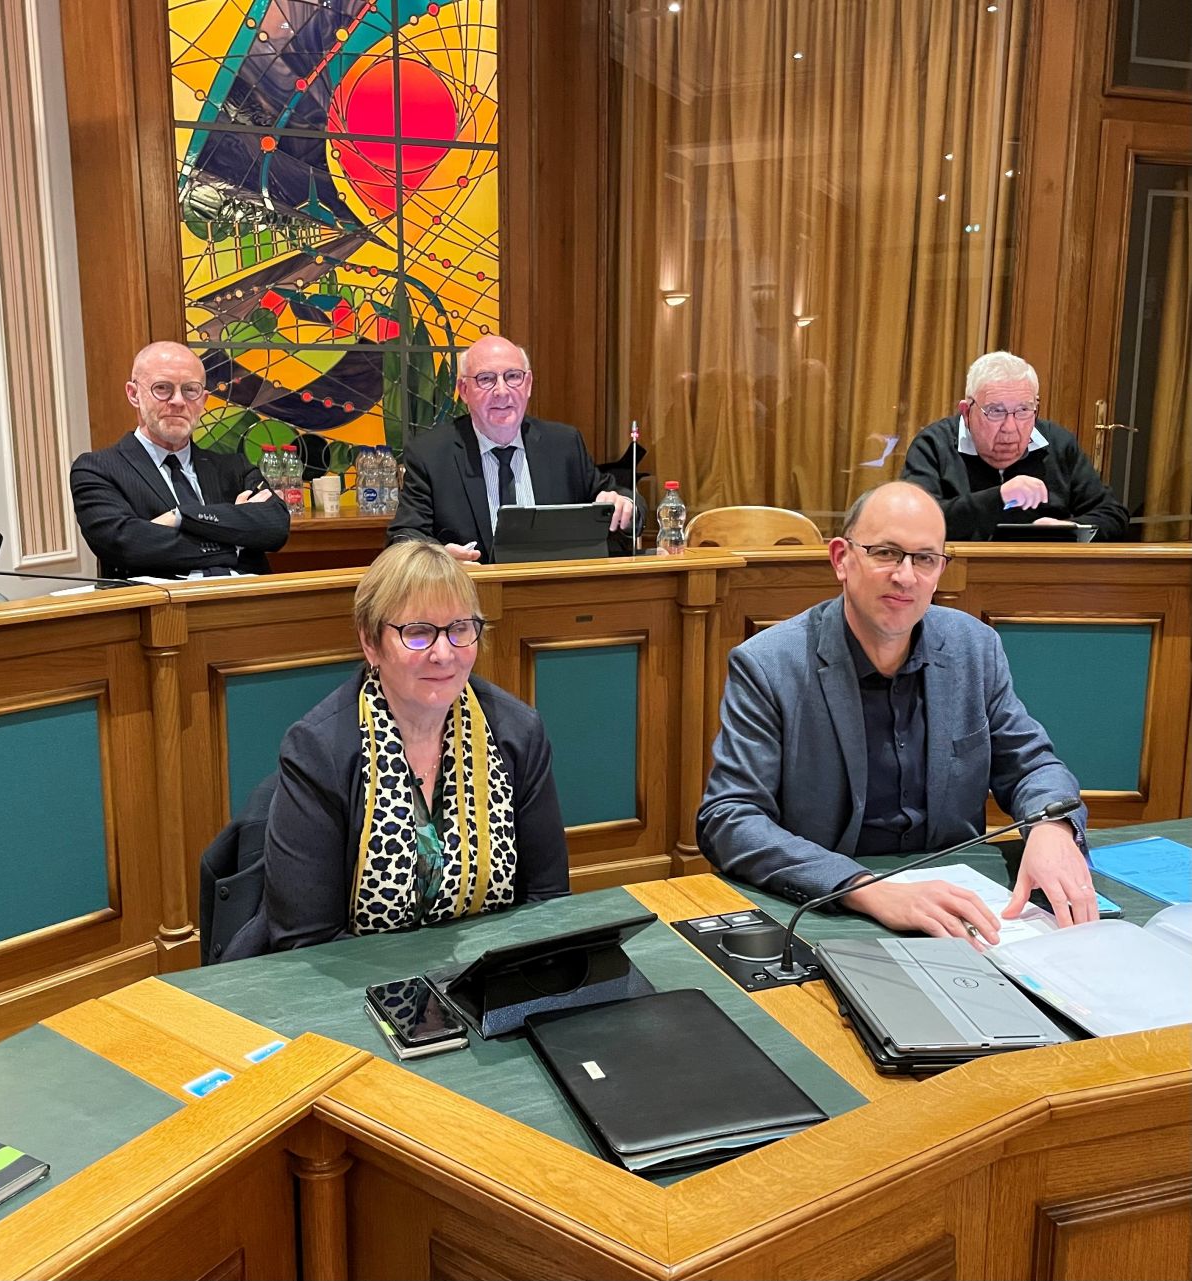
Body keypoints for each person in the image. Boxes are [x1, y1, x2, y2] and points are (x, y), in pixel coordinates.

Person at [697, 481, 1097, 943]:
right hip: (831, 911)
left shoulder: (973, 647)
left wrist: (1051, 826)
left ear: (940, 570)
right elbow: (730, 817)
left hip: (959, 905)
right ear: (841, 559)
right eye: (886, 553)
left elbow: (1032, 766)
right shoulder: (769, 664)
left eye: (924, 558)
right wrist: (866, 890)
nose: (905, 576)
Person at [263, 540, 571, 950]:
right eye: (419, 633)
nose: (444, 654)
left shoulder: (518, 733)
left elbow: (547, 903)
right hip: (357, 980)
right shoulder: (318, 751)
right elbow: (307, 942)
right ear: (370, 643)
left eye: (460, 629)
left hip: (487, 976)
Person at [387, 335, 639, 562]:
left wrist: (625, 504)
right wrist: (440, 557)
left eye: (513, 377)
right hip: (471, 592)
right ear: (464, 390)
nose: (501, 391)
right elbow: (403, 538)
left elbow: (623, 499)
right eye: (486, 379)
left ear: (528, 384)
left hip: (552, 591)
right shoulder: (430, 455)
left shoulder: (563, 445)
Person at [70, 341, 289, 578]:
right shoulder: (97, 470)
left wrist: (180, 517)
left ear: (203, 400)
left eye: (190, 390)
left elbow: (275, 527)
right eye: (162, 388)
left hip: (247, 596)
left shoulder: (235, 468)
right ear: (134, 394)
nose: (178, 401)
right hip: (163, 600)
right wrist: (233, 542)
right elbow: (126, 545)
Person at [902, 350, 1129, 540]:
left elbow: (1113, 515)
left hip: (1044, 575)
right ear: (966, 412)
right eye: (995, 411)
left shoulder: (1058, 443)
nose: (1010, 427)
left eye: (1023, 410)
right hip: (961, 575)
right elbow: (912, 524)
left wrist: (1068, 530)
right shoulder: (934, 444)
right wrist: (998, 498)